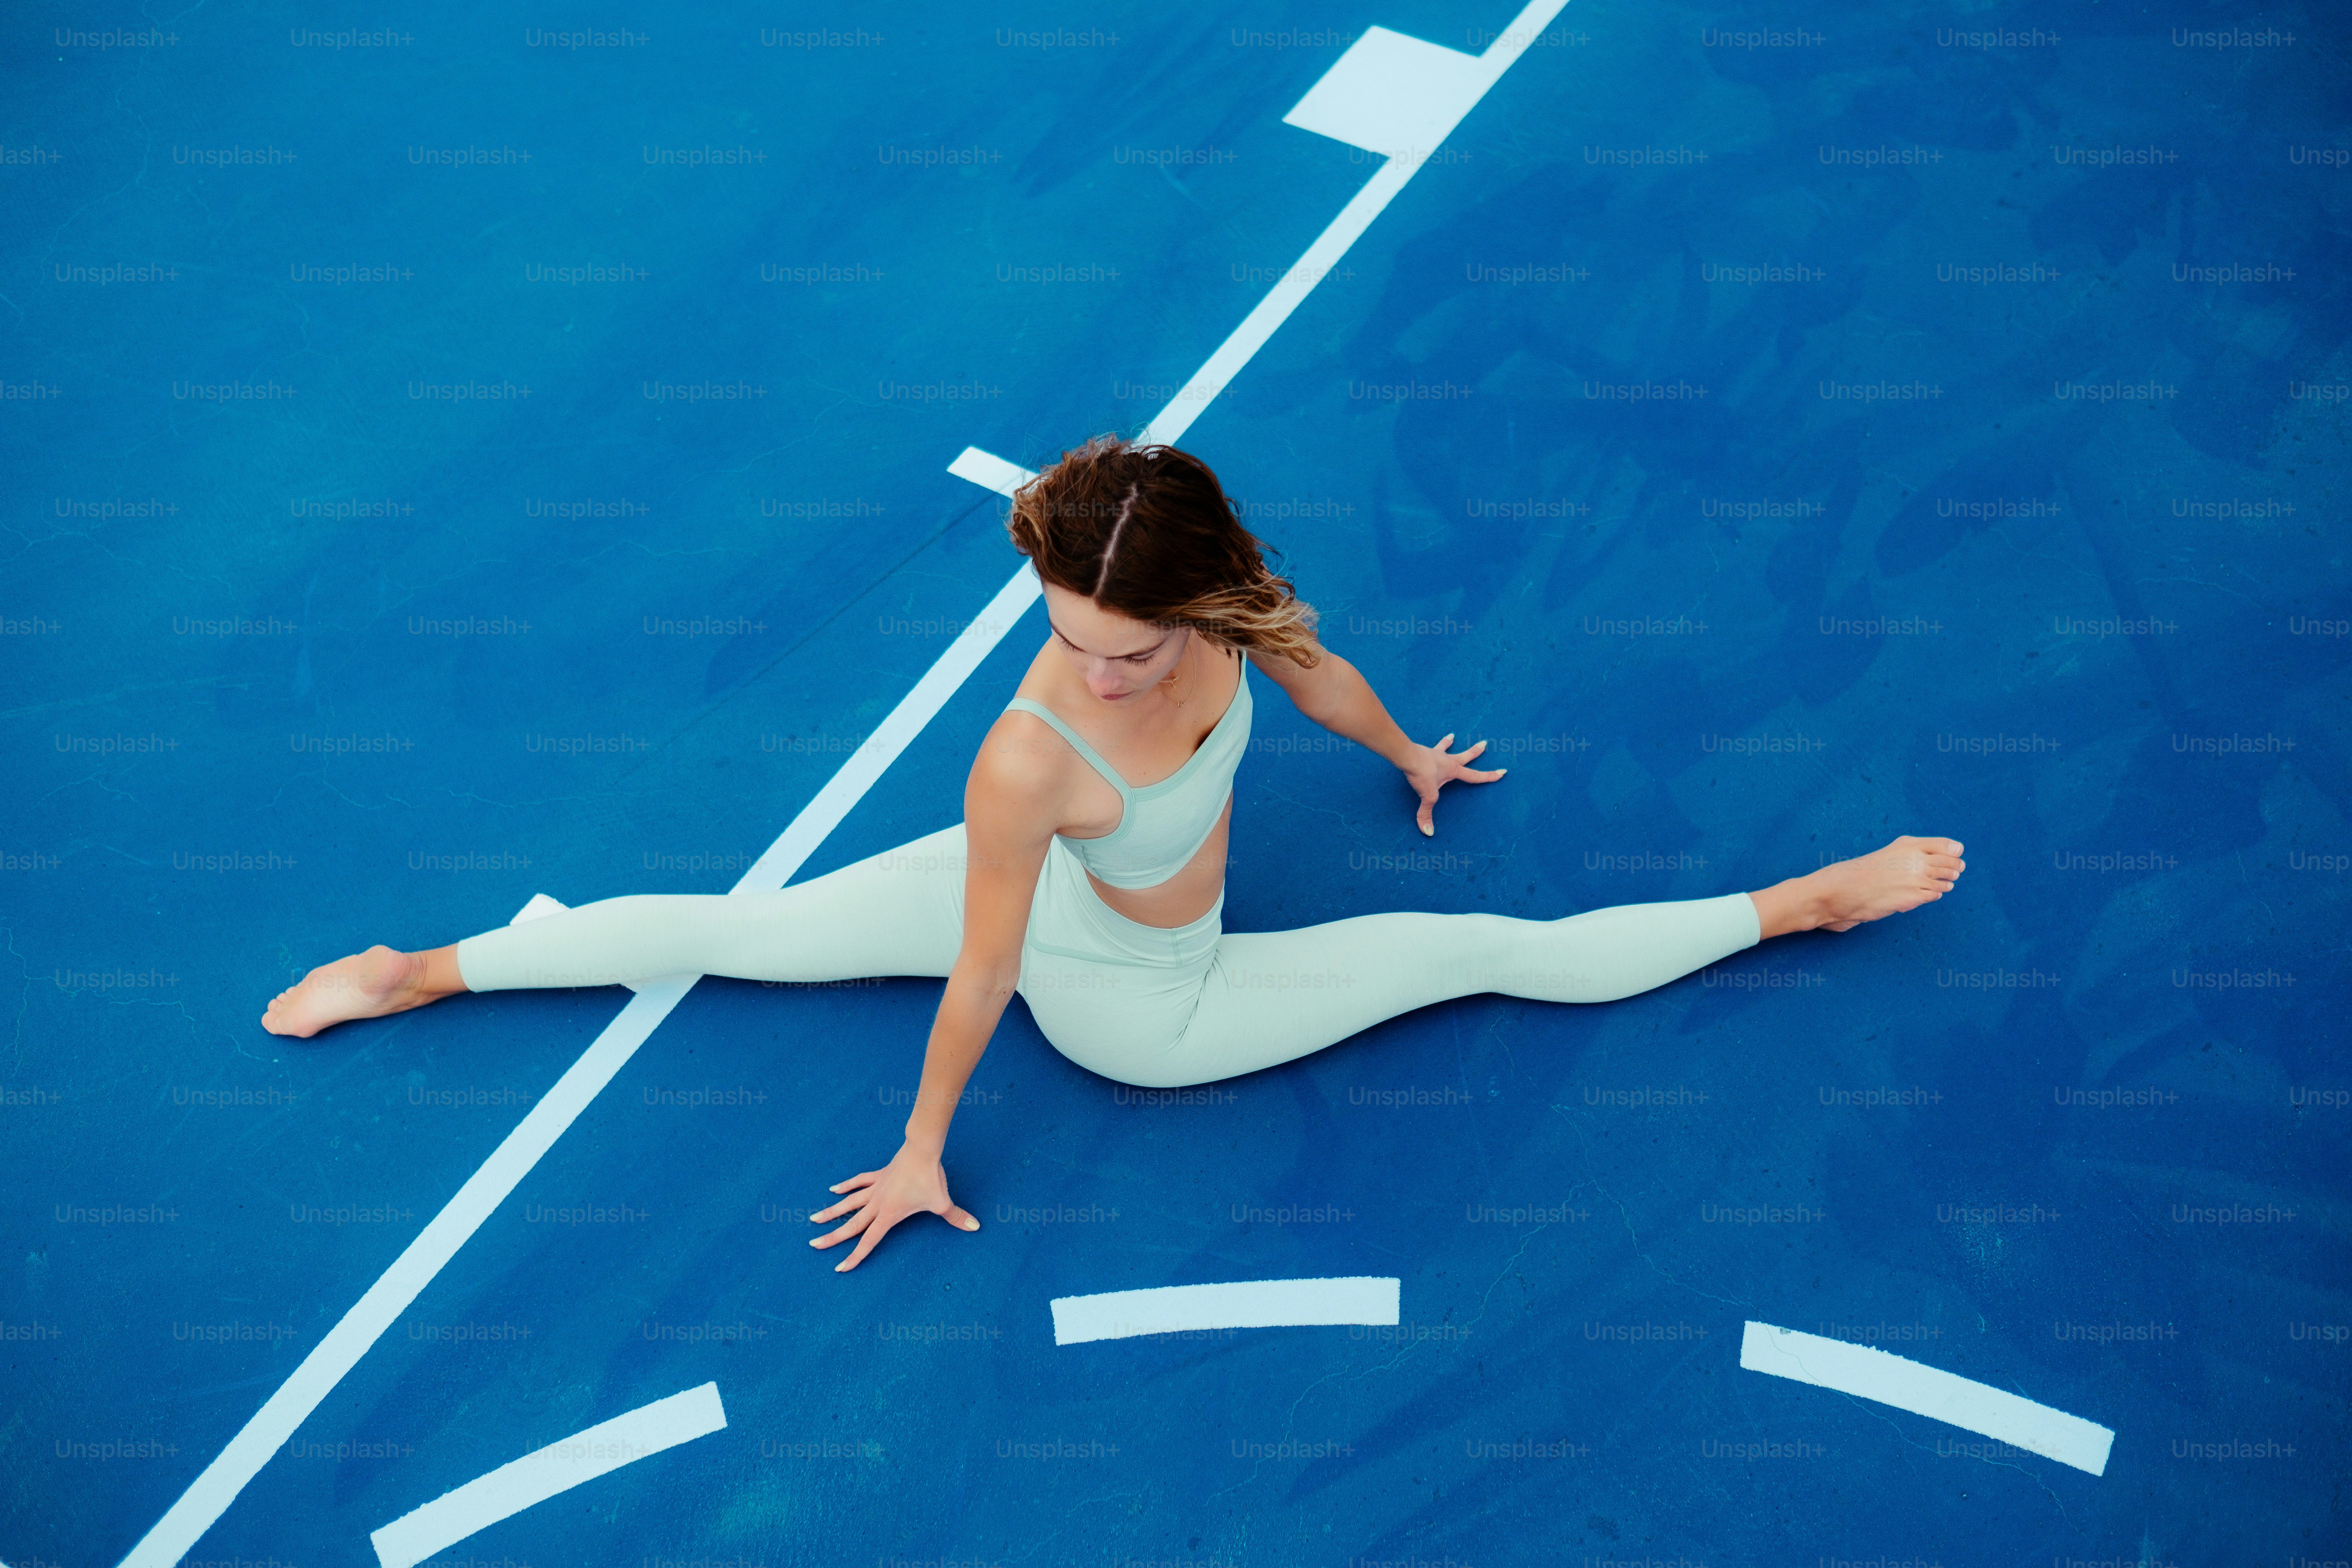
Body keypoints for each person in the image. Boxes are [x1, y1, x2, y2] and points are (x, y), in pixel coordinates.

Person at [262, 435, 1964, 1272]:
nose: (1093, 666)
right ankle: (423, 967)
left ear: (1193, 596)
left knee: (1489, 933)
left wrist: (1403, 756)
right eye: (1065, 633)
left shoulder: (1225, 606)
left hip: (1111, 900)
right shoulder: (1029, 750)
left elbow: (1316, 671)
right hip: (1138, 996)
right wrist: (923, 1150)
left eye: (1123, 647)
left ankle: (1787, 899)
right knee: (742, 924)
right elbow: (988, 971)